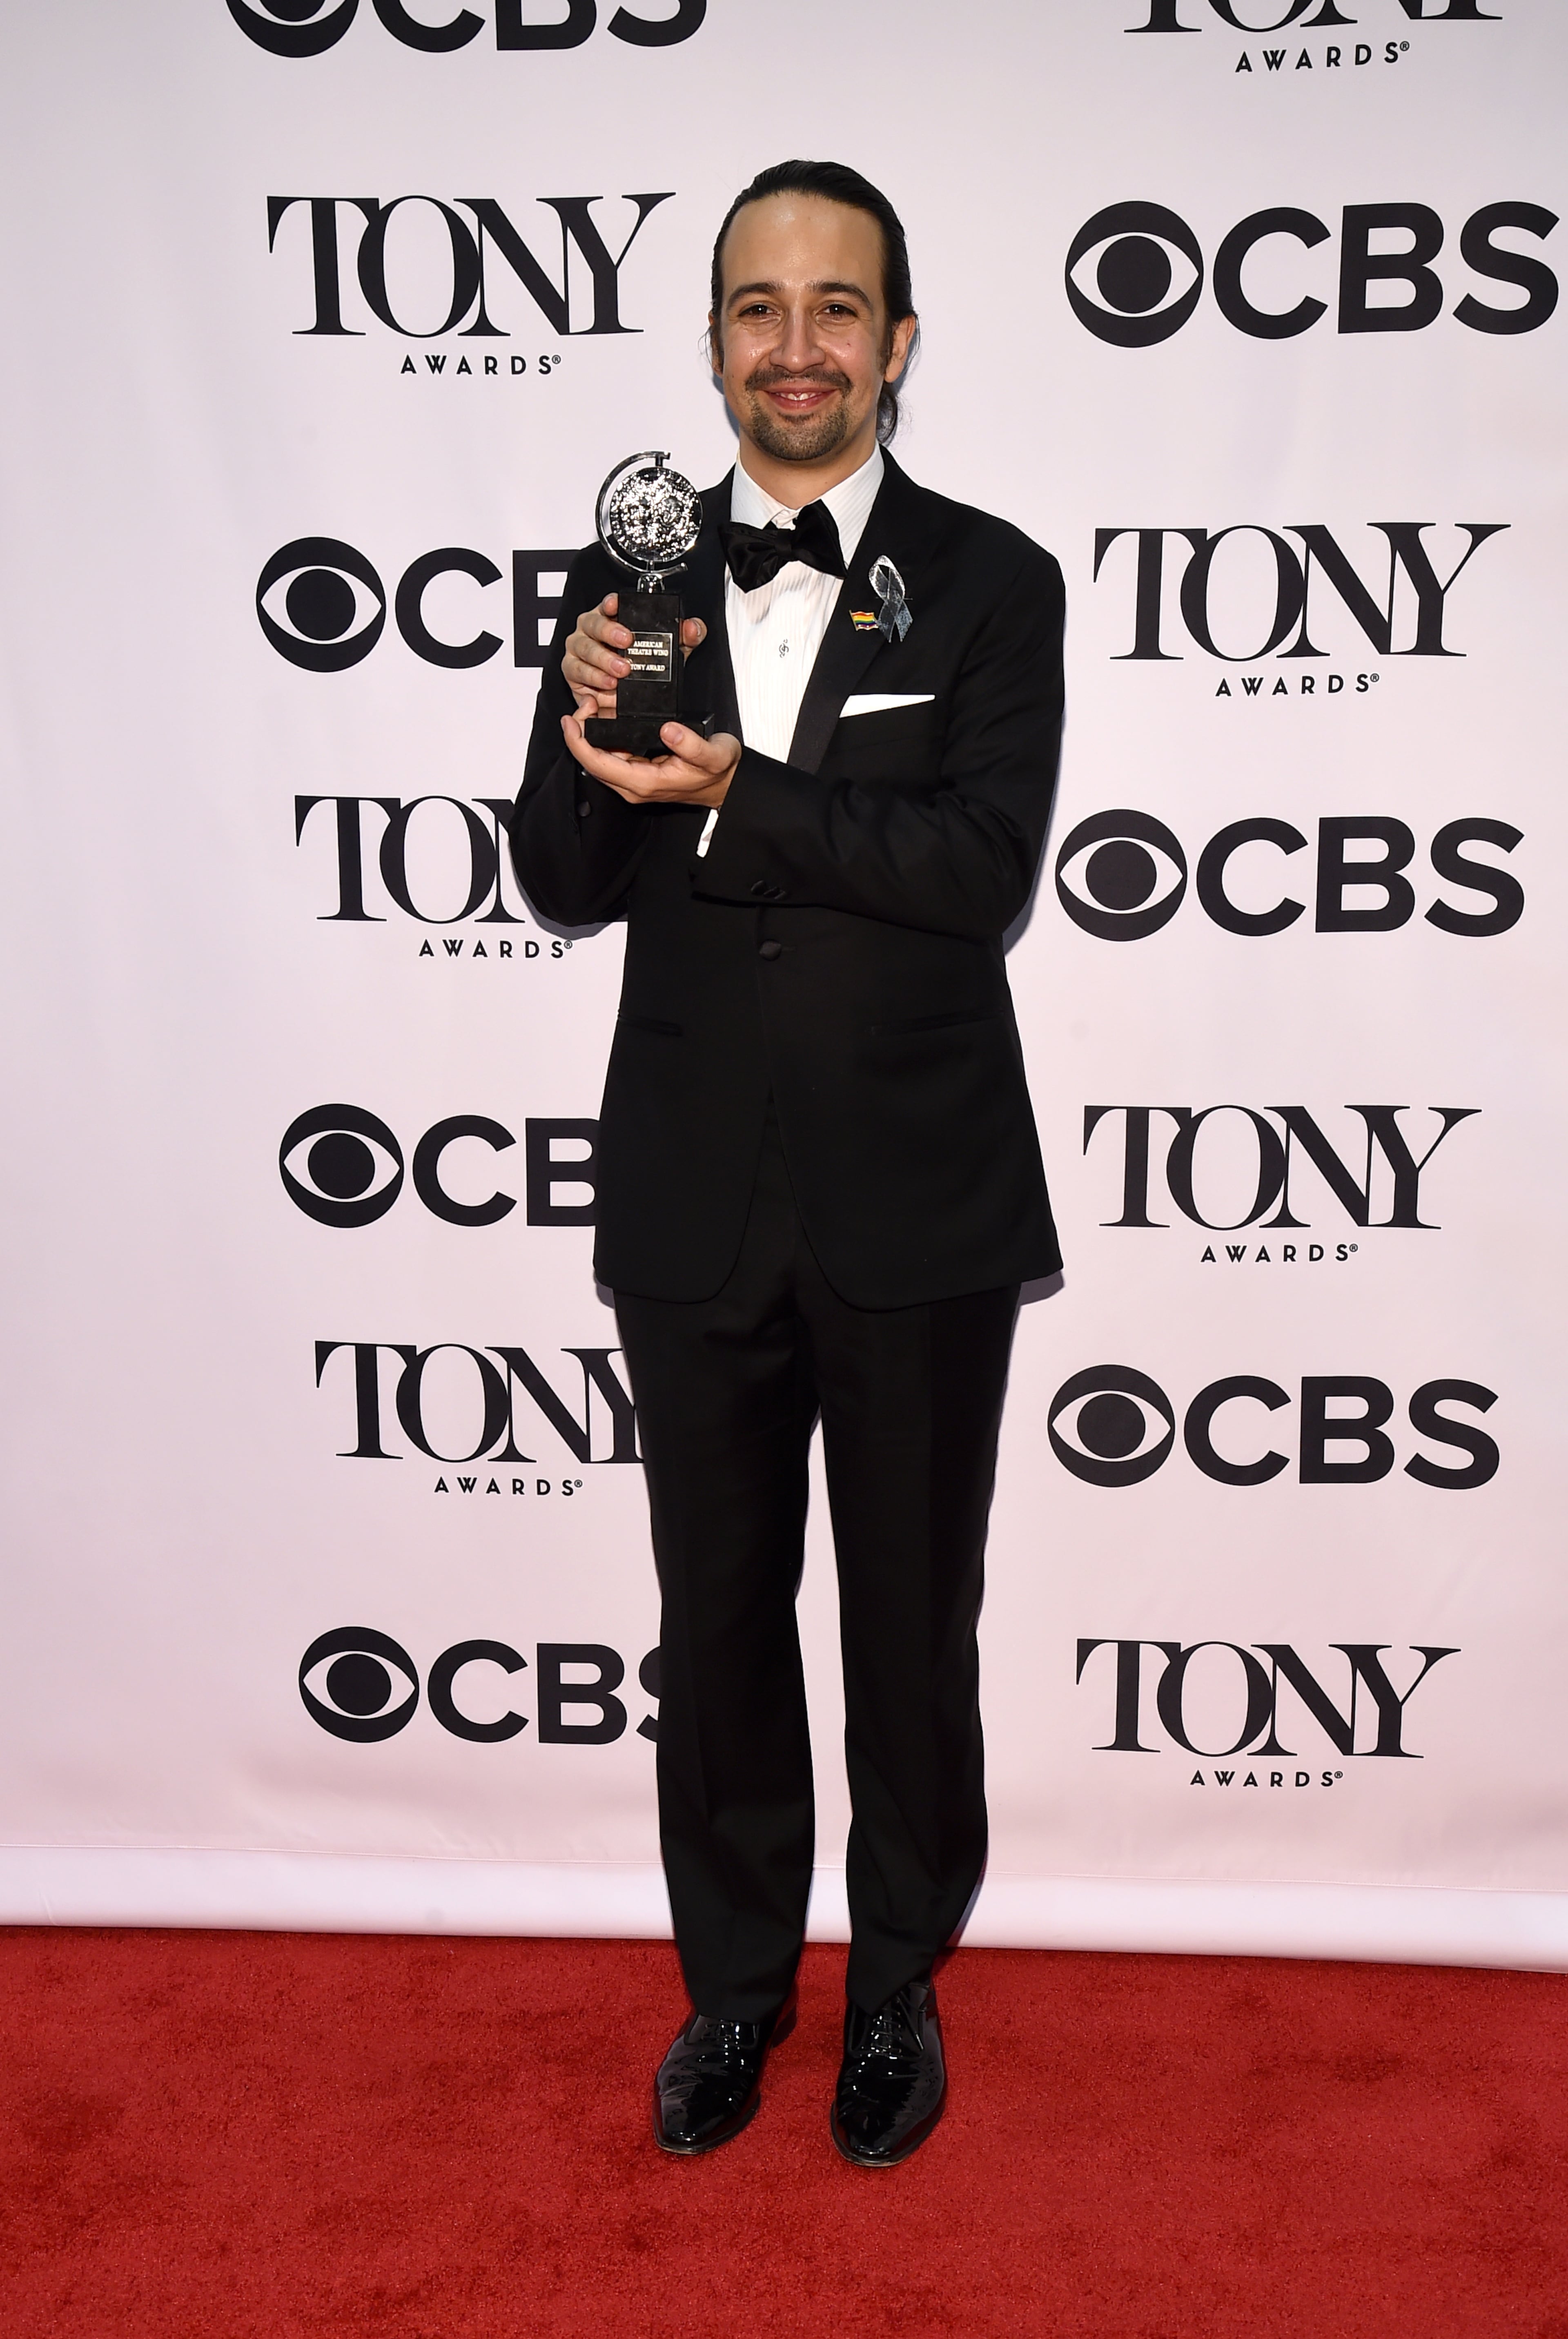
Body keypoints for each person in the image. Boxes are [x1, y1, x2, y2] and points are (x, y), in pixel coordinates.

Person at [510, 159, 1065, 2168]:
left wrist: (750, 783)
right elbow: (559, 878)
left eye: (839, 309)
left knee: (911, 1623)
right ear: (716, 342)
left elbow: (978, 872)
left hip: (914, 1196)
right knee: (716, 1621)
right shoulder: (631, 578)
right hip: (689, 1196)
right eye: (760, 306)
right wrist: (574, 724)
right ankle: (736, 1990)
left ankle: (898, 1984)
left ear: (898, 348)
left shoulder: (996, 580)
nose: (798, 345)